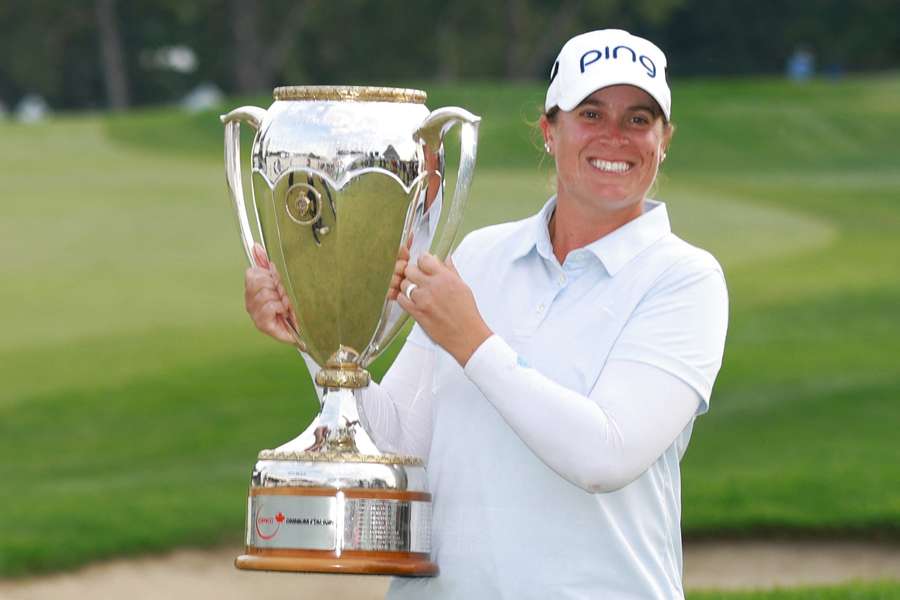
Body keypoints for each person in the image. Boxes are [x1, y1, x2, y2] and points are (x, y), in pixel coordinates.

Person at [245, 28, 728, 600]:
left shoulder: (684, 279)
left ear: (664, 139)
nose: (615, 137)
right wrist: (314, 321)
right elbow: (399, 438)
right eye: (591, 114)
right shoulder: (479, 255)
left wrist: (472, 338)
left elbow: (606, 454)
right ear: (550, 131)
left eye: (638, 120)